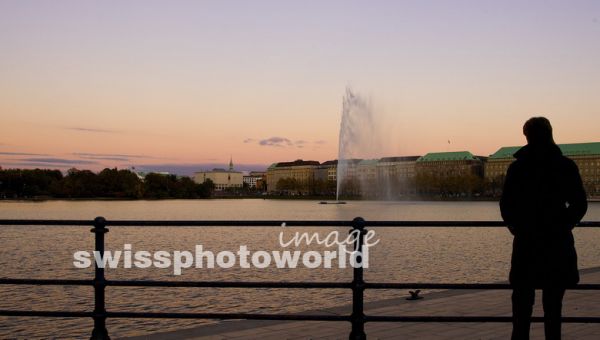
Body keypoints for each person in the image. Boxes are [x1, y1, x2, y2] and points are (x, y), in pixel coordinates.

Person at [500, 117, 587, 340]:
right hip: (557, 245)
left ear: (527, 136)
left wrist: (517, 227)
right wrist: (563, 225)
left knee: (521, 311)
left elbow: (506, 205)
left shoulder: (518, 168)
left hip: (526, 244)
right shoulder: (565, 166)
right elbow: (579, 204)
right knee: (553, 310)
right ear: (550, 133)